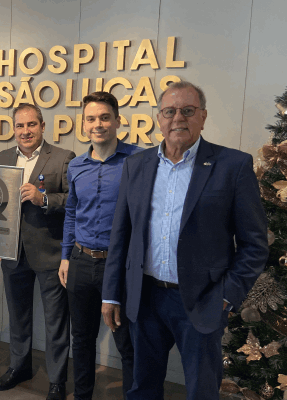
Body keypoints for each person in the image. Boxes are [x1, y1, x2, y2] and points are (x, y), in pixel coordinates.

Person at [101, 81, 269, 400]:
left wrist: (226, 296)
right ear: (159, 118)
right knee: (142, 387)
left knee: (201, 391)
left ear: (202, 116)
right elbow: (121, 234)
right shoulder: (137, 165)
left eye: (188, 110)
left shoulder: (232, 166)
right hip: (145, 298)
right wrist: (111, 293)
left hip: (202, 300)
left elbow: (255, 244)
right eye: (169, 111)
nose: (178, 118)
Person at [58, 92, 139, 400]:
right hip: (80, 261)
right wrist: (66, 257)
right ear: (84, 124)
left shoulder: (138, 161)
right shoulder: (76, 165)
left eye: (105, 117)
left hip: (118, 266)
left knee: (126, 342)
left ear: (117, 121)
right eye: (91, 119)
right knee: (81, 339)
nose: (98, 124)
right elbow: (71, 212)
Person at [0, 104, 75, 400]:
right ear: (13, 129)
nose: (25, 131)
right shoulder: (2, 158)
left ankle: (57, 381)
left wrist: (44, 199)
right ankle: (19, 367)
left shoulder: (63, 157)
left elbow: (73, 200)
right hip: (12, 253)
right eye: (20, 126)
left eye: (31, 125)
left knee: (55, 322)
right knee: (18, 316)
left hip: (50, 253)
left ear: (42, 126)